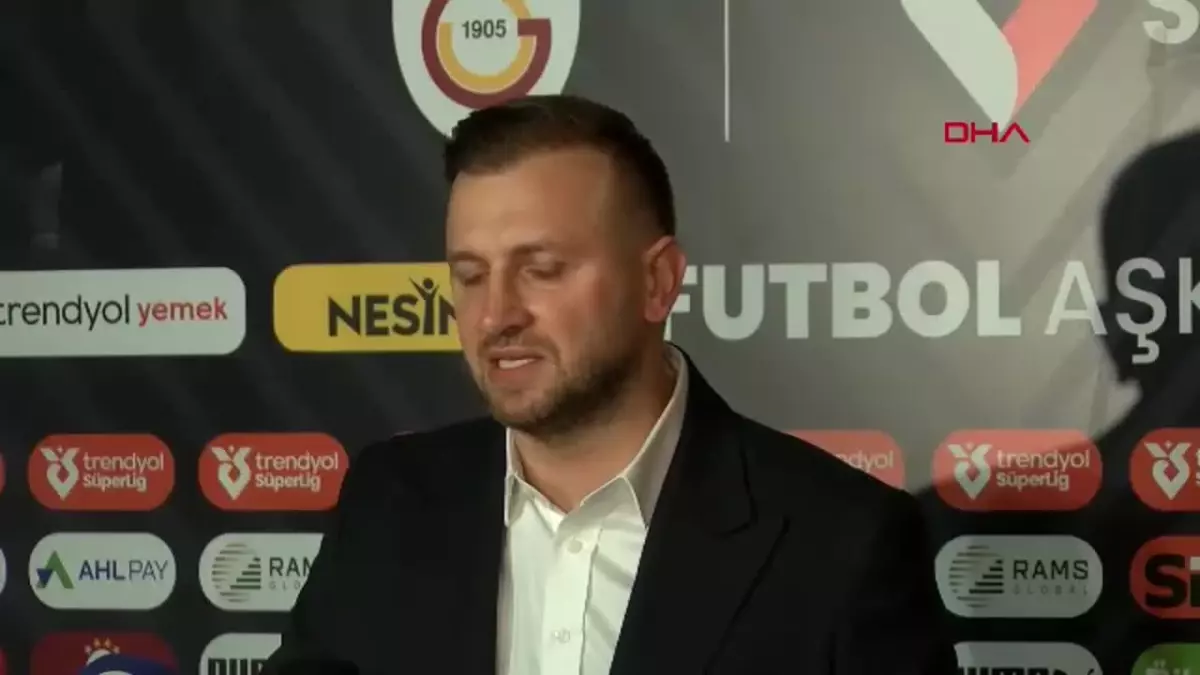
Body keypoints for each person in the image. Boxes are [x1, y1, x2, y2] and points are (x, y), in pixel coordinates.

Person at [263, 94, 956, 675]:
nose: (496, 314)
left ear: (657, 282)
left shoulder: (840, 545)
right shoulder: (388, 504)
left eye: (541, 269)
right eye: (470, 275)